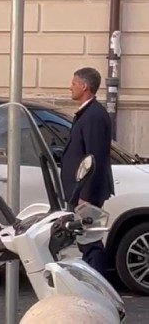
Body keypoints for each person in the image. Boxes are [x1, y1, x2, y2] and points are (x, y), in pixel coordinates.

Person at [60, 67, 114, 276]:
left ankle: (98, 282)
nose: (70, 87)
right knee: (86, 240)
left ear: (84, 87)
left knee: (90, 241)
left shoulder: (93, 116)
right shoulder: (88, 113)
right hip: (81, 191)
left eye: (74, 83)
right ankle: (92, 279)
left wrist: (86, 196)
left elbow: (95, 158)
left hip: (87, 193)